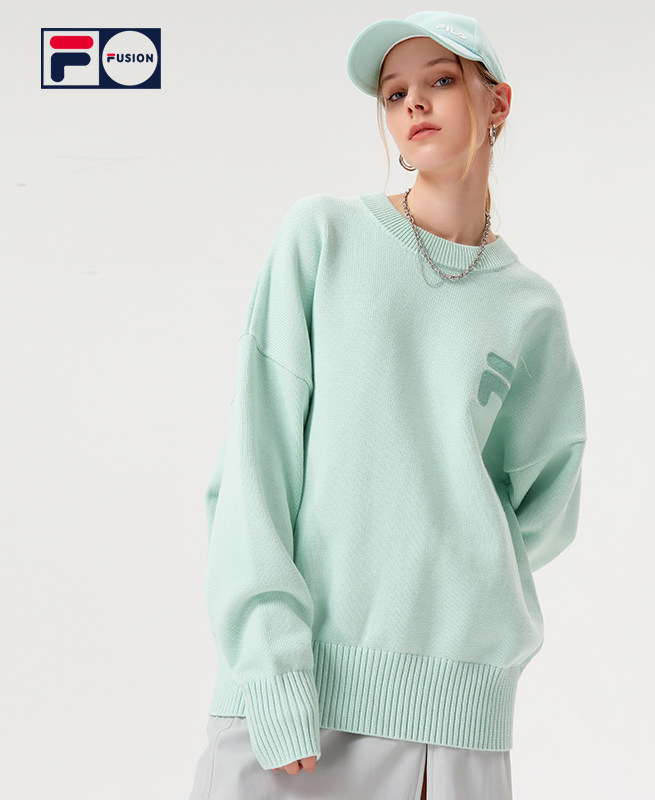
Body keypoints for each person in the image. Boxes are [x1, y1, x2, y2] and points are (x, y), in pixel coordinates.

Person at [186, 10, 587, 800]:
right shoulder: (323, 238)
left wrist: (452, 572)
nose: (414, 103)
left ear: (497, 103)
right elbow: (253, 473)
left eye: (441, 80)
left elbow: (545, 506)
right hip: (296, 703)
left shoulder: (528, 308)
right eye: (394, 92)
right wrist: (272, 669)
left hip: (456, 720)